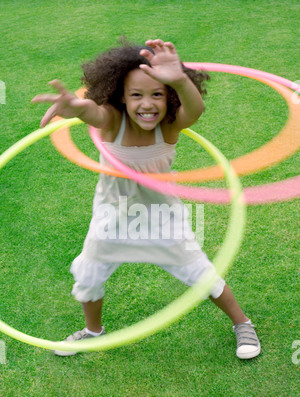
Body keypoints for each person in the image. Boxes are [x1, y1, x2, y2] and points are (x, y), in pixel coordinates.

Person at [32, 38, 260, 359]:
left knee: (199, 272)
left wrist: (179, 79)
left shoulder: (168, 128)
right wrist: (77, 108)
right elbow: (91, 112)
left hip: (161, 215)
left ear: (170, 99)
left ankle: (242, 323)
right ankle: (92, 331)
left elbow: (196, 109)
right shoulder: (112, 122)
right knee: (89, 273)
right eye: (136, 95)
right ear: (121, 98)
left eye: (158, 94)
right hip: (112, 215)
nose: (147, 104)